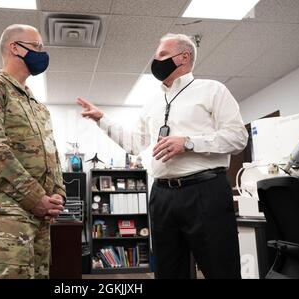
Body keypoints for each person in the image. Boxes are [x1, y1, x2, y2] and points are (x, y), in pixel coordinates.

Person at [77, 33, 248, 279]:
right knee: (168, 271)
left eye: (162, 55)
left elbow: (238, 138)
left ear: (184, 57)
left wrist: (189, 143)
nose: (155, 61)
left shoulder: (212, 90)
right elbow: (135, 144)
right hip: (162, 196)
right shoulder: (152, 103)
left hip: (205, 192)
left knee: (221, 269)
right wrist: (101, 120)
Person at [0, 24, 66, 279]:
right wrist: (36, 199)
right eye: (37, 47)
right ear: (14, 47)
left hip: (40, 215)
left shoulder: (37, 106)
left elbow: (52, 153)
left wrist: (57, 193)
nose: (42, 53)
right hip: (9, 212)